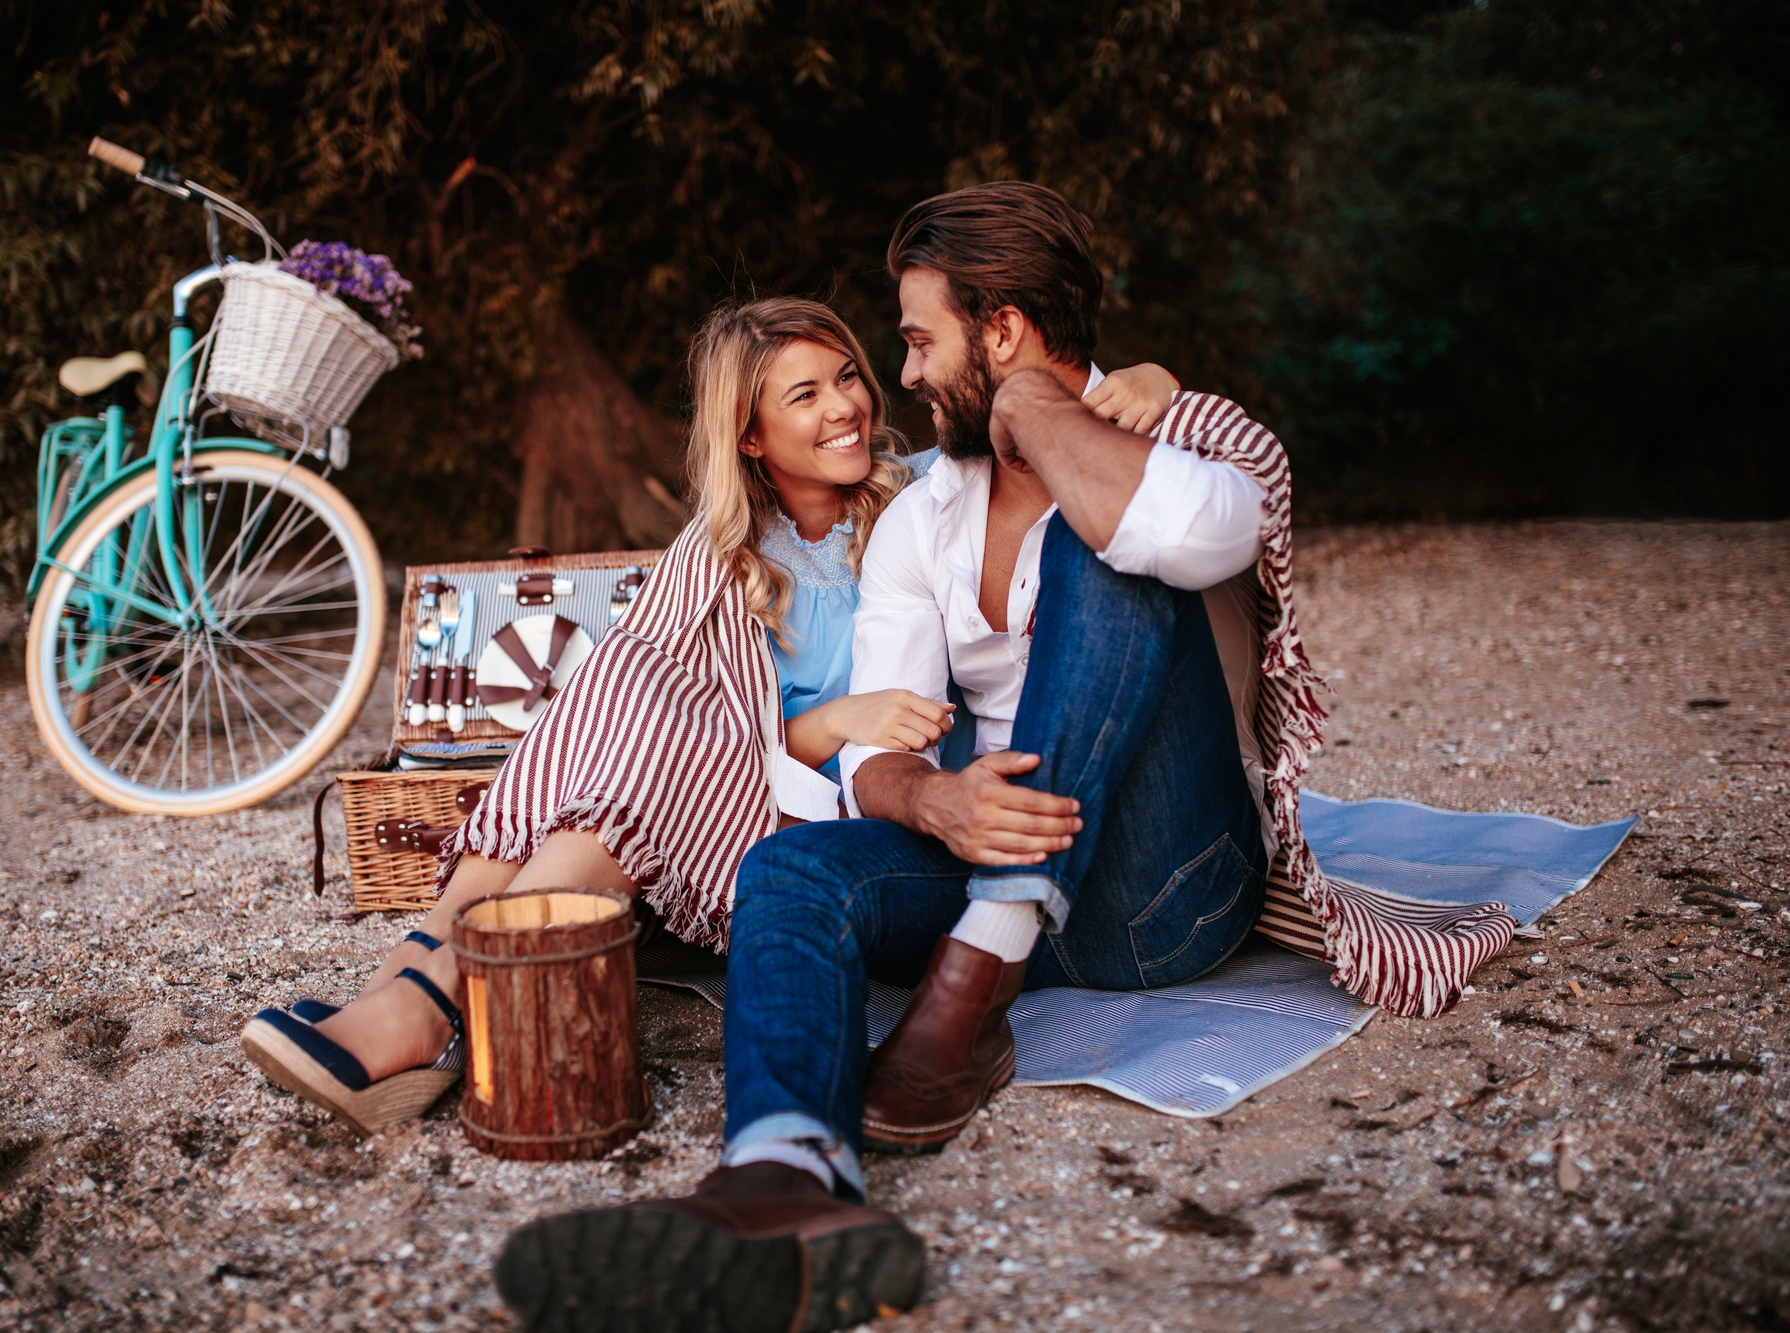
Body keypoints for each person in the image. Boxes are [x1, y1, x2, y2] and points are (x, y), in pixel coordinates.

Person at [492, 181, 1329, 1333]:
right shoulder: (924, 514)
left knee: (1106, 548)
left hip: (1163, 888)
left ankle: (971, 983)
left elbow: (1198, 533)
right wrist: (931, 798)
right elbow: (871, 761)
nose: (905, 372)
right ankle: (786, 1179)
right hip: (1012, 845)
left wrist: (1035, 409)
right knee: (788, 870)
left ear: (1002, 332)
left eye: (920, 338)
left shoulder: (1175, 444)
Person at [238, 295, 1180, 1137]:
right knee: (626, 680)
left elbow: (1051, 425)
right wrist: (835, 717)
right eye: (803, 395)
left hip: (853, 816)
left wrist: (1144, 379)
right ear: (751, 435)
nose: (846, 404)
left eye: (846, 375)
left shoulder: (928, 490)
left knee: (634, 705)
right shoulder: (721, 553)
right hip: (722, 795)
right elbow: (699, 725)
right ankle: (419, 986)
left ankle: (421, 995)